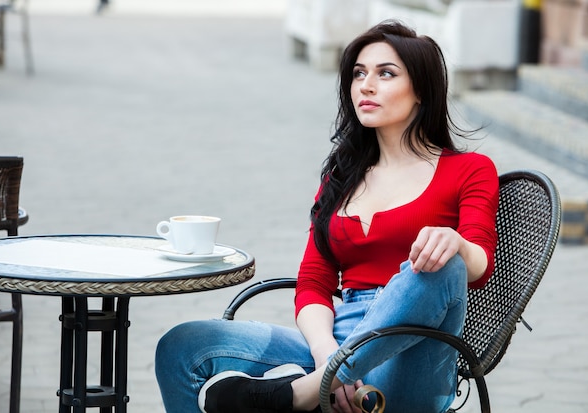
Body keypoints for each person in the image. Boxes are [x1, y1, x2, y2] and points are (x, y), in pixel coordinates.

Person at [155, 20, 499, 413]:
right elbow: (314, 282)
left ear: (421, 89)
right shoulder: (342, 176)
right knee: (181, 347)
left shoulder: (469, 169)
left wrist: (455, 242)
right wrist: (326, 357)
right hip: (333, 345)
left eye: (385, 74)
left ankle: (295, 396)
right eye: (358, 74)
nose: (366, 86)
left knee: (446, 264)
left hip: (410, 356)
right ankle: (318, 383)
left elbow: (480, 265)